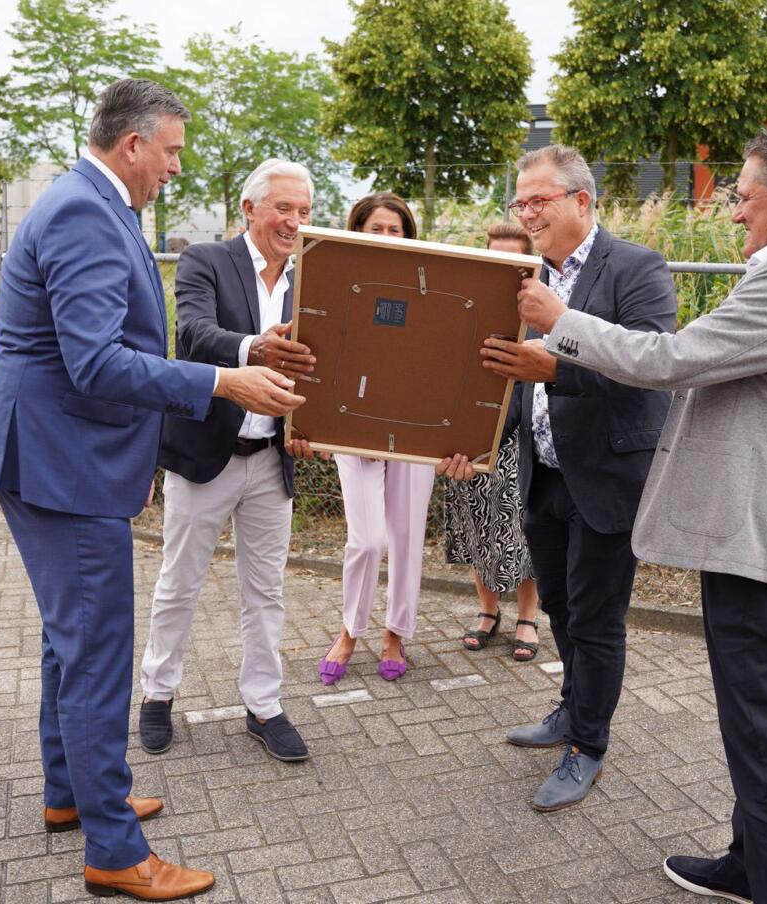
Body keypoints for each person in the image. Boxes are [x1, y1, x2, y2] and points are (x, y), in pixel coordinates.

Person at [516, 120, 767, 904]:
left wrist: (560, 324)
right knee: (752, 724)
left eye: (743, 196)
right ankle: (749, 862)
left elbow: (673, 360)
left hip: (763, 544)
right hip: (763, 537)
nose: (733, 210)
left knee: (762, 732)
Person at [0, 79, 302, 901]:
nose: (176, 167)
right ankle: (115, 851)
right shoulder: (85, 212)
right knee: (96, 651)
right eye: (172, 152)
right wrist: (222, 380)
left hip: (64, 457)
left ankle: (74, 795)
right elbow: (94, 362)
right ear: (132, 145)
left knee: (70, 642)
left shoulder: (92, 202)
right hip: (62, 465)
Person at [445, 143, 676, 813]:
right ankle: (572, 707)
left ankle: (588, 745)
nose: (526, 213)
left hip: (607, 477)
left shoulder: (635, 267)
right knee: (560, 607)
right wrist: (469, 444)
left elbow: (652, 368)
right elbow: (502, 379)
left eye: (537, 200)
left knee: (597, 620)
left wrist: (557, 366)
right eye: (519, 203)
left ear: (581, 200)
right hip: (542, 473)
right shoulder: (522, 277)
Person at [136, 158, 320, 764]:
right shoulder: (206, 261)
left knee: (265, 591)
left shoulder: (314, 279)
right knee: (180, 583)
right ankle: (157, 693)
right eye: (283, 208)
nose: (294, 222)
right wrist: (255, 349)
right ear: (249, 209)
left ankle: (263, 706)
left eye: (304, 211)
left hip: (271, 460)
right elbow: (193, 334)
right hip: (204, 456)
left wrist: (314, 427)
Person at [317, 192, 440, 684]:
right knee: (367, 540)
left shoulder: (431, 286)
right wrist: (320, 423)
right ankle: (350, 629)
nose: (387, 237)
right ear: (358, 231)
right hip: (356, 423)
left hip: (414, 423)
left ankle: (395, 633)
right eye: (377, 229)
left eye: (396, 229)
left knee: (406, 536)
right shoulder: (339, 281)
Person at [446, 222, 541, 661]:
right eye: (495, 257)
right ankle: (488, 613)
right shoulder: (464, 308)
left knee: (524, 532)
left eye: (513, 261)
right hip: (470, 440)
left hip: (520, 442)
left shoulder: (542, 317)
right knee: (475, 526)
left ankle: (527, 618)